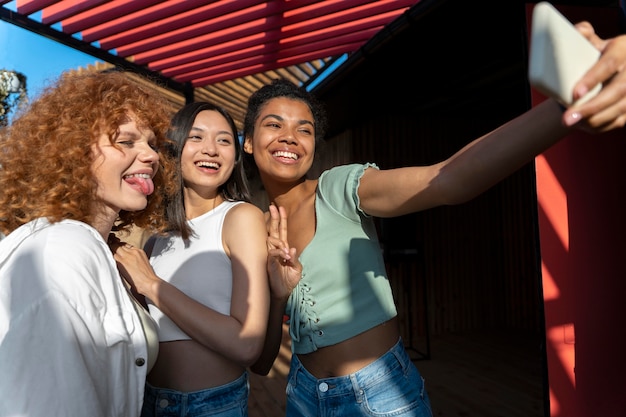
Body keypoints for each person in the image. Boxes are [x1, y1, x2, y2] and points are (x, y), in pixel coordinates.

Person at [243, 21, 626, 417]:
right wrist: (277, 295)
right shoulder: (254, 226)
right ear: (249, 142)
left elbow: (445, 180)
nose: (290, 136)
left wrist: (568, 107)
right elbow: (262, 361)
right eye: (274, 125)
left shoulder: (338, 187)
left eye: (303, 130)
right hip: (302, 397)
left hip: (378, 396)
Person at [0, 69, 177, 416]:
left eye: (152, 144)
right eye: (126, 142)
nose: (152, 156)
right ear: (72, 153)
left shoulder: (96, 247)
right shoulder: (62, 251)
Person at [110, 102, 270, 417]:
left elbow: (247, 346)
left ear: (235, 157)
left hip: (210, 406)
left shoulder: (241, 217)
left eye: (224, 140)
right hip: (148, 401)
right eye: (196, 137)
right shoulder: (157, 238)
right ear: (174, 150)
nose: (211, 149)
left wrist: (150, 284)